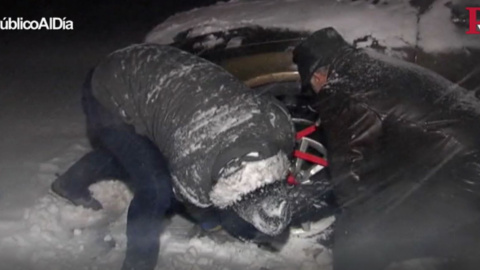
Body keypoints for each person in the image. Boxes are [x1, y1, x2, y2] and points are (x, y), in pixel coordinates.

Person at [52, 44, 296, 270]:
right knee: (155, 185)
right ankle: (138, 264)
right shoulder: (193, 164)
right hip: (111, 88)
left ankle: (69, 183)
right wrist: (214, 224)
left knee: (135, 157)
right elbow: (194, 199)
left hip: (158, 74)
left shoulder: (279, 126)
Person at [292, 27, 480, 270]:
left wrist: (340, 216)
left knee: (359, 236)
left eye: (312, 87)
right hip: (459, 153)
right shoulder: (369, 64)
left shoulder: (343, 92)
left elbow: (350, 175)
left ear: (318, 77)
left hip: (467, 173)